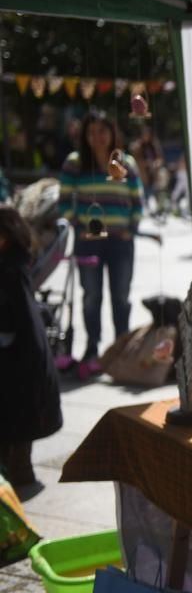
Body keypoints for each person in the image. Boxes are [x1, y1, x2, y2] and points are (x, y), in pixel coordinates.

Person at [58, 111, 143, 375]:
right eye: (92, 132)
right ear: (84, 135)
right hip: (88, 243)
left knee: (121, 296)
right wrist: (77, 225)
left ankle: (120, 349)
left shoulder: (125, 162)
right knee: (91, 297)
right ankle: (92, 349)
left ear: (112, 133)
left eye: (103, 131)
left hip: (120, 242)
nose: (98, 137)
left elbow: (138, 201)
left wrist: (131, 228)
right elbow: (63, 201)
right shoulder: (75, 163)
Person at [0, 206, 62, 487]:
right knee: (16, 438)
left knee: (13, 434)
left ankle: (16, 483)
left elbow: (9, 318)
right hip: (24, 363)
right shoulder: (17, 265)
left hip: (19, 366)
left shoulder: (9, 270)